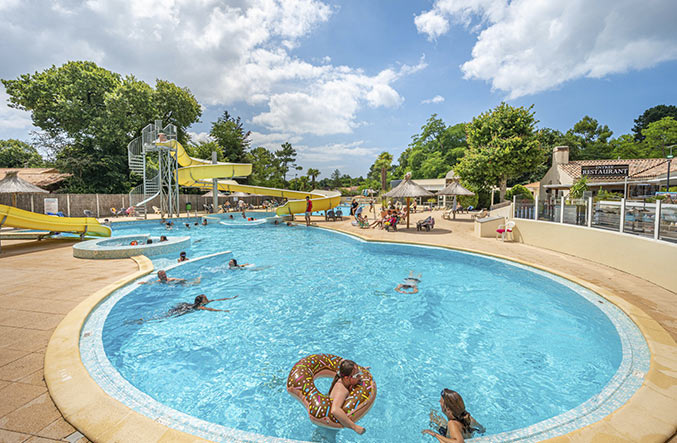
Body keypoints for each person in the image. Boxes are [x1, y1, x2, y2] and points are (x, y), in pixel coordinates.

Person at [328, 359, 367, 435]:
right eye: (357, 375)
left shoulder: (342, 376)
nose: (360, 376)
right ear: (346, 378)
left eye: (359, 373)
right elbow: (335, 410)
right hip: (329, 428)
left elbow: (343, 361)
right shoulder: (342, 390)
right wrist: (355, 427)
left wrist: (363, 370)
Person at [167, 294, 238, 317]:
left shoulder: (204, 302)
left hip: (187, 305)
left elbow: (216, 300)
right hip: (185, 309)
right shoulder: (199, 306)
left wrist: (231, 298)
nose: (207, 298)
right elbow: (210, 309)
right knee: (170, 316)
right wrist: (223, 310)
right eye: (205, 298)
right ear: (202, 301)